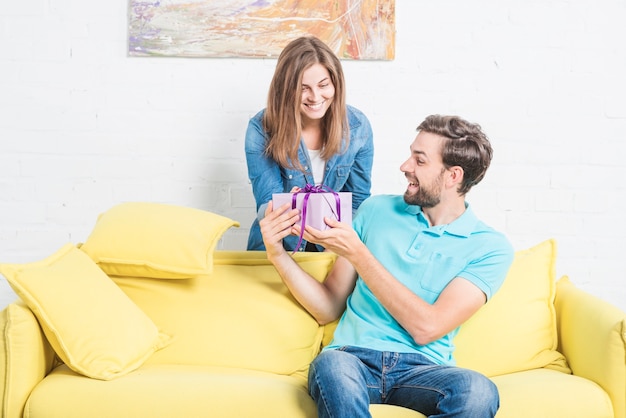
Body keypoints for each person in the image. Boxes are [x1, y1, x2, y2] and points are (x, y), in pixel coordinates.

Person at [260, 114, 515, 417]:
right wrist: (277, 254)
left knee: (478, 391)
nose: (405, 166)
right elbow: (327, 307)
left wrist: (359, 254)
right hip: (351, 360)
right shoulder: (375, 210)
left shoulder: (489, 247)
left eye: (420, 161)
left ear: (453, 176)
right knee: (331, 366)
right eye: (410, 155)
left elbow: (427, 328)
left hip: (425, 372)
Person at [245, 35, 374, 252]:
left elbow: (357, 202)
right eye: (303, 88)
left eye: (323, 85)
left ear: (336, 83)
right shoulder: (261, 128)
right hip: (278, 247)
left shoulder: (357, 127)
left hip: (333, 249)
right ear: (285, 89)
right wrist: (284, 208)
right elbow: (267, 206)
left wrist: (303, 209)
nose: (315, 97)